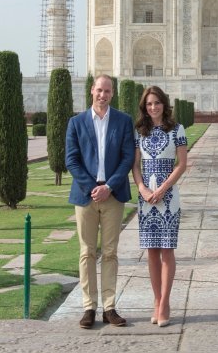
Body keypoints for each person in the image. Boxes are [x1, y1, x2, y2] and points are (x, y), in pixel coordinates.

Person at [65, 74, 135, 329]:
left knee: (110, 252)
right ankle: (88, 308)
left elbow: (127, 158)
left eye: (107, 91)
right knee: (86, 252)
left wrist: (109, 186)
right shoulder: (76, 122)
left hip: (113, 194)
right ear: (91, 91)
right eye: (99, 90)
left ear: (112, 94)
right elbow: (72, 160)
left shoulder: (123, 121)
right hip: (86, 196)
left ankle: (109, 307)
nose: (102, 95)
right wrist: (92, 187)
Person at [132, 85, 188, 327]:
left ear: (164, 104)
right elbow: (135, 166)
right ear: (144, 107)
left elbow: (182, 164)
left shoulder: (177, 130)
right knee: (152, 252)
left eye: (157, 102)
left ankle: (165, 303)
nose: (153, 107)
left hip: (168, 198)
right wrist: (143, 190)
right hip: (146, 200)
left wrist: (162, 189)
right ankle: (156, 301)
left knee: (167, 250)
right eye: (149, 104)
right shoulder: (139, 132)